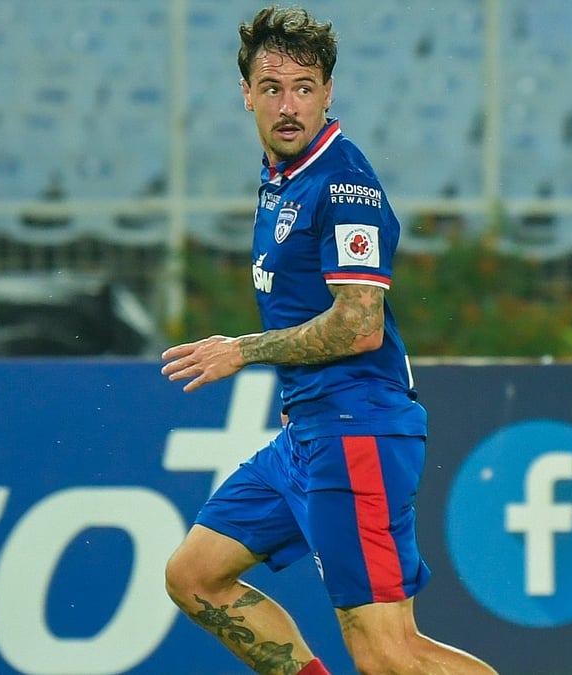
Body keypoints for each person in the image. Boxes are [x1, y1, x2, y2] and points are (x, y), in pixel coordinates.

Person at [161, 6, 498, 675]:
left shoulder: (343, 182)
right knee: (195, 573)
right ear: (246, 93)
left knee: (389, 653)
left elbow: (359, 322)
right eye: (273, 88)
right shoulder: (283, 177)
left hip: (357, 430)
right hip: (307, 434)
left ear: (329, 91)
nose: (289, 106)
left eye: (306, 87)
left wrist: (244, 349)